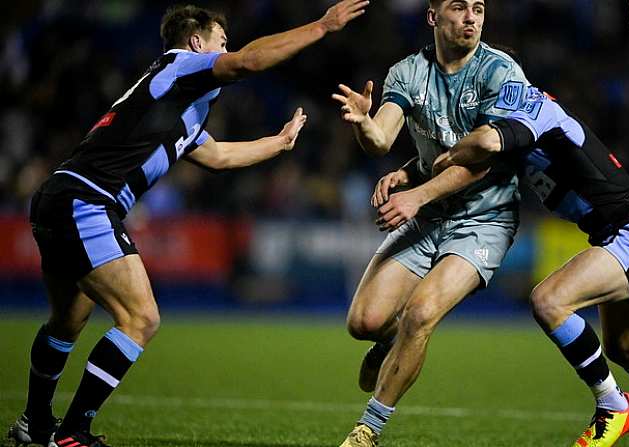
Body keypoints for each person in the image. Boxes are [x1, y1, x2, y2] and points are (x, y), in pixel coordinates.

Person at [7, 2, 368, 446]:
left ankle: (35, 425)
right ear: (197, 43)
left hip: (60, 196)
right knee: (140, 317)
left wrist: (277, 144)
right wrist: (322, 26)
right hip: (86, 200)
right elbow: (248, 62)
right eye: (220, 41)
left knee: (68, 320)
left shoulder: (181, 106)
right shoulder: (181, 67)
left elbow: (218, 157)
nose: (225, 49)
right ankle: (75, 434)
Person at [391, 86, 629, 447]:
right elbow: (475, 166)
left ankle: (613, 406)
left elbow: (485, 143)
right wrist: (408, 176)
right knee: (626, 348)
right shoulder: (512, 132)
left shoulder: (529, 106)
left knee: (549, 301)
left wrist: (450, 154)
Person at [331, 0, 528, 445]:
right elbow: (381, 139)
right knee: (363, 322)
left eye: (478, 8)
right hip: (429, 212)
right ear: (433, 17)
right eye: (459, 8)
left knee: (421, 312)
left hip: (485, 217)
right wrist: (364, 122)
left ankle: (368, 429)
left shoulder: (502, 73)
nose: (471, 17)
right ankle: (392, 341)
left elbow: (483, 161)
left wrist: (415, 193)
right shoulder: (407, 73)